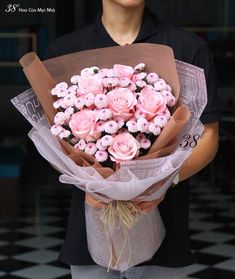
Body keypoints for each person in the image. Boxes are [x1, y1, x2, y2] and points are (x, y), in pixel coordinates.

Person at [45, 0, 219, 278]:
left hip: (164, 222)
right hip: (90, 225)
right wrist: (87, 180)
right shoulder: (65, 49)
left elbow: (208, 135)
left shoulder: (187, 47)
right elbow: (53, 139)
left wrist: (162, 181)